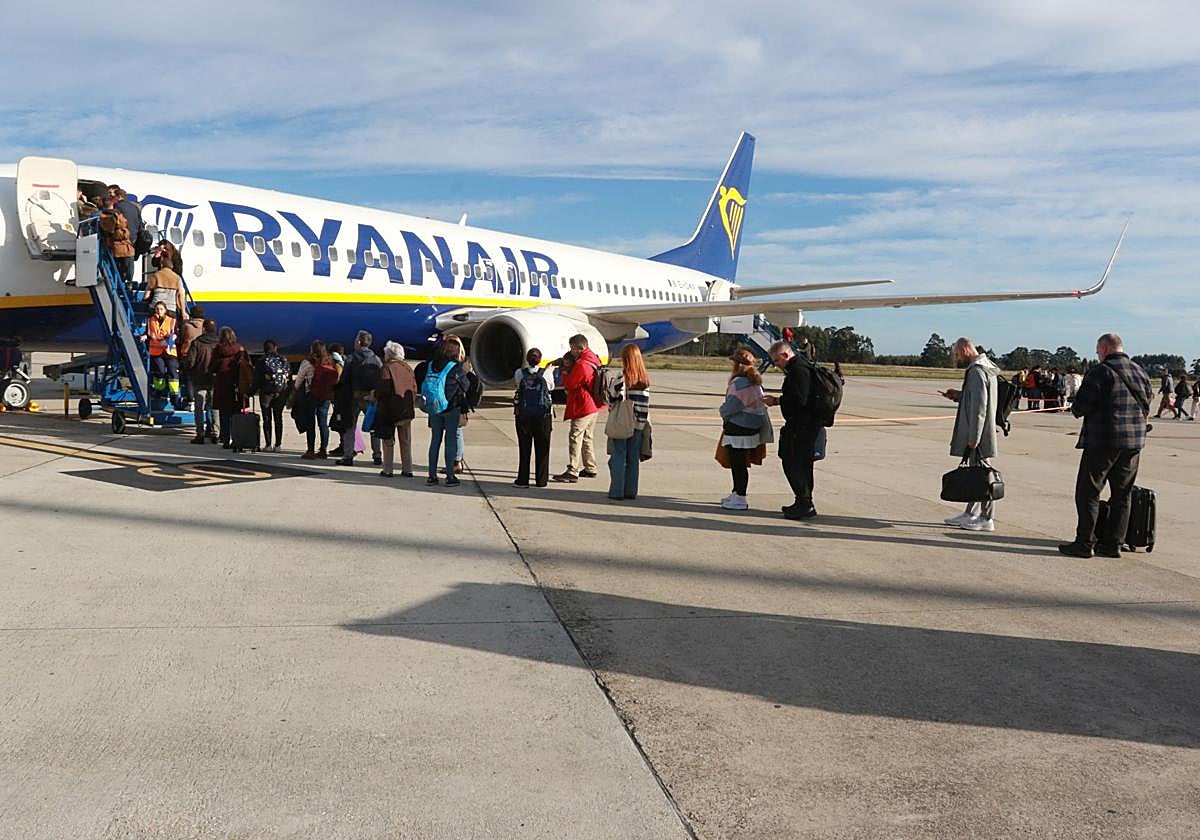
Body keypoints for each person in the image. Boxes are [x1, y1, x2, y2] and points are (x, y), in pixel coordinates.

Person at [1059, 333, 1153, 559]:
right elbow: (1148, 401)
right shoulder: (1140, 371)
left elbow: (1080, 407)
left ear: (1104, 349)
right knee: (1122, 495)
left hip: (1104, 440)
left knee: (1088, 492)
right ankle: (1113, 544)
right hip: (1133, 443)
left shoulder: (1100, 372)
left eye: (1098, 350)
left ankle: (1085, 542)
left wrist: (1077, 407)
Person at [939, 338, 1001, 532]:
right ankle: (971, 512)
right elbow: (977, 398)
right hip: (982, 430)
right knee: (976, 474)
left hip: (978, 433)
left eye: (957, 354)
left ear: (965, 350)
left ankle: (986, 517)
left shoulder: (976, 371)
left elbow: (979, 408)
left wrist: (973, 438)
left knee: (983, 476)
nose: (958, 358)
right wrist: (959, 395)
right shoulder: (986, 368)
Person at [763, 340, 820, 519]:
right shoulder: (803, 367)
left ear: (786, 355)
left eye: (777, 361)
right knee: (803, 464)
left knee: (791, 462)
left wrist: (777, 401)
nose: (776, 365)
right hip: (808, 425)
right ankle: (804, 501)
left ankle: (804, 502)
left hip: (801, 426)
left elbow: (799, 401)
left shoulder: (798, 372)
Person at [718, 349, 773, 510]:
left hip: (738, 428)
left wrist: (722, 411)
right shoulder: (755, 382)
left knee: (738, 464)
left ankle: (740, 497)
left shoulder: (739, 384)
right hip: (752, 427)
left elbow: (731, 407)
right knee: (741, 463)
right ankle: (736, 493)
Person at [552, 334, 603, 483]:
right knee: (587, 437)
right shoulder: (593, 358)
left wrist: (565, 371)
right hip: (593, 405)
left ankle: (572, 469)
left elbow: (570, 384)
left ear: (580, 348)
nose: (571, 351)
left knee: (575, 436)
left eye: (572, 348)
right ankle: (590, 467)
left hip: (583, 405)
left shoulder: (581, 364)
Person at [420, 337, 470, 486]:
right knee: (450, 442)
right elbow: (466, 386)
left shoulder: (431, 365)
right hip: (451, 408)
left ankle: (432, 476)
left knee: (435, 441)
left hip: (434, 408)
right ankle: (450, 476)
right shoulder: (456, 368)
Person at [605, 344, 651, 501]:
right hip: (639, 423)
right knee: (633, 458)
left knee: (618, 455)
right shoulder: (644, 379)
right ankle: (631, 491)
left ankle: (617, 491)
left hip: (623, 421)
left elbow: (611, 397)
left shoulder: (622, 377)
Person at [335, 330, 383, 466]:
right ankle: (377, 455)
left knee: (350, 426)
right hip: (371, 397)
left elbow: (344, 378)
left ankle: (348, 455)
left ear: (358, 342)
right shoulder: (376, 359)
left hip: (354, 396)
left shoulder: (351, 358)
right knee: (374, 425)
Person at [513, 348, 555, 488]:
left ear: (527, 359)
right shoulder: (547, 373)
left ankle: (522, 480)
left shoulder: (519, 373)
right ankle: (541, 480)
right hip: (543, 415)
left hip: (524, 415)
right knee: (543, 448)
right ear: (540, 359)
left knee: (524, 448)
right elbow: (551, 387)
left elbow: (517, 385)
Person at [374, 341, 417, 477]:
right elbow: (414, 388)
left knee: (388, 441)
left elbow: (383, 390)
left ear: (389, 354)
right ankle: (407, 469)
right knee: (405, 441)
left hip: (389, 410)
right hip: (405, 410)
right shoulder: (408, 368)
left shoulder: (387, 368)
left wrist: (375, 395)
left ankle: (388, 469)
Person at [294, 340, 338, 459]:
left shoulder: (307, 363)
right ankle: (323, 450)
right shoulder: (329, 361)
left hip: (311, 396)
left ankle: (310, 450)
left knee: (310, 423)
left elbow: (298, 381)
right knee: (323, 423)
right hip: (326, 397)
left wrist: (294, 392)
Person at [209, 326, 250, 448]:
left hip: (222, 386)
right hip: (236, 385)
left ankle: (225, 439)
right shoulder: (240, 349)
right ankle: (236, 439)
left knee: (224, 414)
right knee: (236, 415)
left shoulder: (218, 350)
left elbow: (211, 367)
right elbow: (247, 366)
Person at [185, 318, 218, 443]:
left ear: (203, 329)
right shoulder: (219, 343)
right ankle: (215, 433)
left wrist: (186, 369)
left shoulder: (197, 343)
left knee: (199, 408)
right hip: (214, 380)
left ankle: (200, 434)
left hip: (199, 379)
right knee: (215, 407)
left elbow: (191, 361)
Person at [255, 339, 291, 452]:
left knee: (267, 419)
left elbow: (257, 380)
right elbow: (288, 376)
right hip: (280, 392)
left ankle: (268, 444)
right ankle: (278, 445)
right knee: (278, 418)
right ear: (275, 348)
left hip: (266, 393)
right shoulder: (283, 359)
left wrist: (250, 392)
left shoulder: (262, 361)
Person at [142, 302, 181, 406]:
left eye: (161, 309)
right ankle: (159, 391)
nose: (159, 311)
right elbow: (149, 333)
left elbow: (176, 333)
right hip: (156, 351)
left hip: (169, 351)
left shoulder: (172, 320)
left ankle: (174, 394)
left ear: (165, 310)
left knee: (173, 371)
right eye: (157, 309)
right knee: (159, 372)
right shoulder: (151, 320)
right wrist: (145, 336)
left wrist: (173, 337)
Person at [143, 241, 187, 318]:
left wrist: (169, 274)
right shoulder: (161, 257)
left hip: (172, 281)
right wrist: (158, 253)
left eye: (164, 249)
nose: (163, 251)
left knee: (179, 293)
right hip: (161, 280)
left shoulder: (175, 257)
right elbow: (154, 263)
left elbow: (179, 270)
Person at [109, 187, 142, 286]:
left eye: (113, 196)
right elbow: (139, 223)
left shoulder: (117, 206)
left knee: (118, 259)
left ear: (119, 196)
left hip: (122, 236)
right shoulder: (135, 207)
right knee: (129, 258)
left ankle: (119, 280)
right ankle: (129, 281)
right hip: (133, 237)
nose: (112, 198)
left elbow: (115, 222)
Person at [327, 342, 349, 456]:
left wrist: (333, 387)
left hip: (340, 397)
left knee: (341, 422)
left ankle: (345, 446)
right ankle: (351, 445)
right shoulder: (347, 360)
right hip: (346, 397)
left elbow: (338, 378)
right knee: (346, 422)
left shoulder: (338, 363)